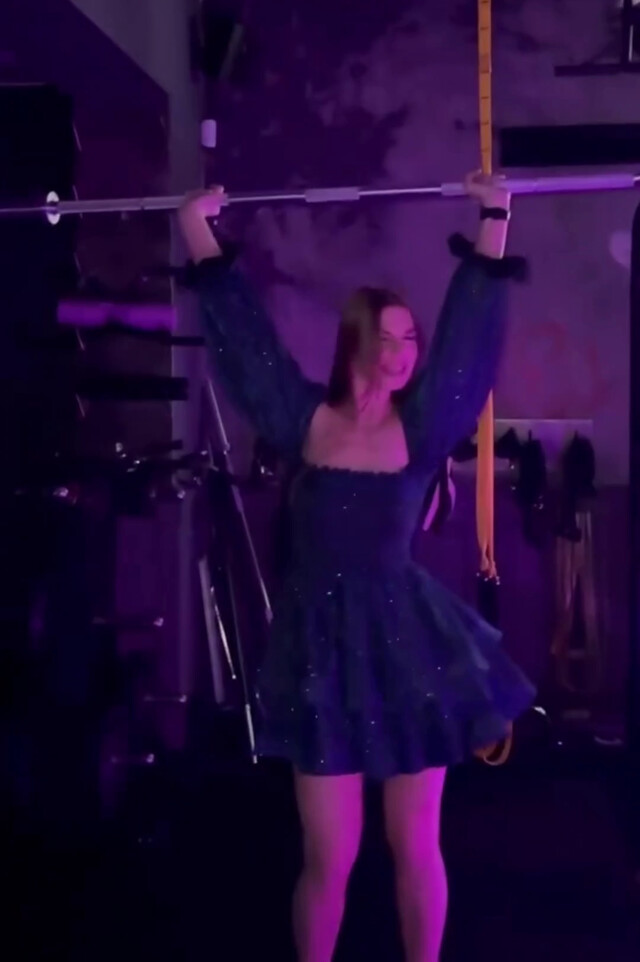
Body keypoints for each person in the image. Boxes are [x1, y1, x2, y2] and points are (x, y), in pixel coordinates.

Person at [178, 174, 535, 962]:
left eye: (411, 340)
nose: (404, 354)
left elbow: (470, 338)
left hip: (410, 647)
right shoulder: (303, 417)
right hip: (321, 654)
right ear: (356, 342)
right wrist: (196, 226)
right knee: (329, 858)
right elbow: (247, 344)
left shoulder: (424, 423)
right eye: (389, 338)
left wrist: (495, 212)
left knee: (416, 844)